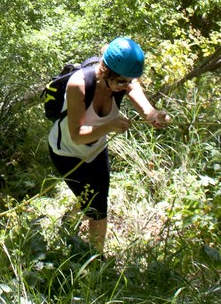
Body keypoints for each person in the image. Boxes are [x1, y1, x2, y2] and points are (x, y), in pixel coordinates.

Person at [47, 37, 169, 253]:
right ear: (106, 71)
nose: (125, 87)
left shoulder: (125, 81)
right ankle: (96, 260)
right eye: (121, 82)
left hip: (95, 151)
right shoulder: (79, 85)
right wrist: (109, 126)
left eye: (129, 82)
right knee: (96, 208)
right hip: (66, 153)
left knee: (97, 200)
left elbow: (147, 111)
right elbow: (77, 136)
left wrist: (156, 116)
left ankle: (74, 224)